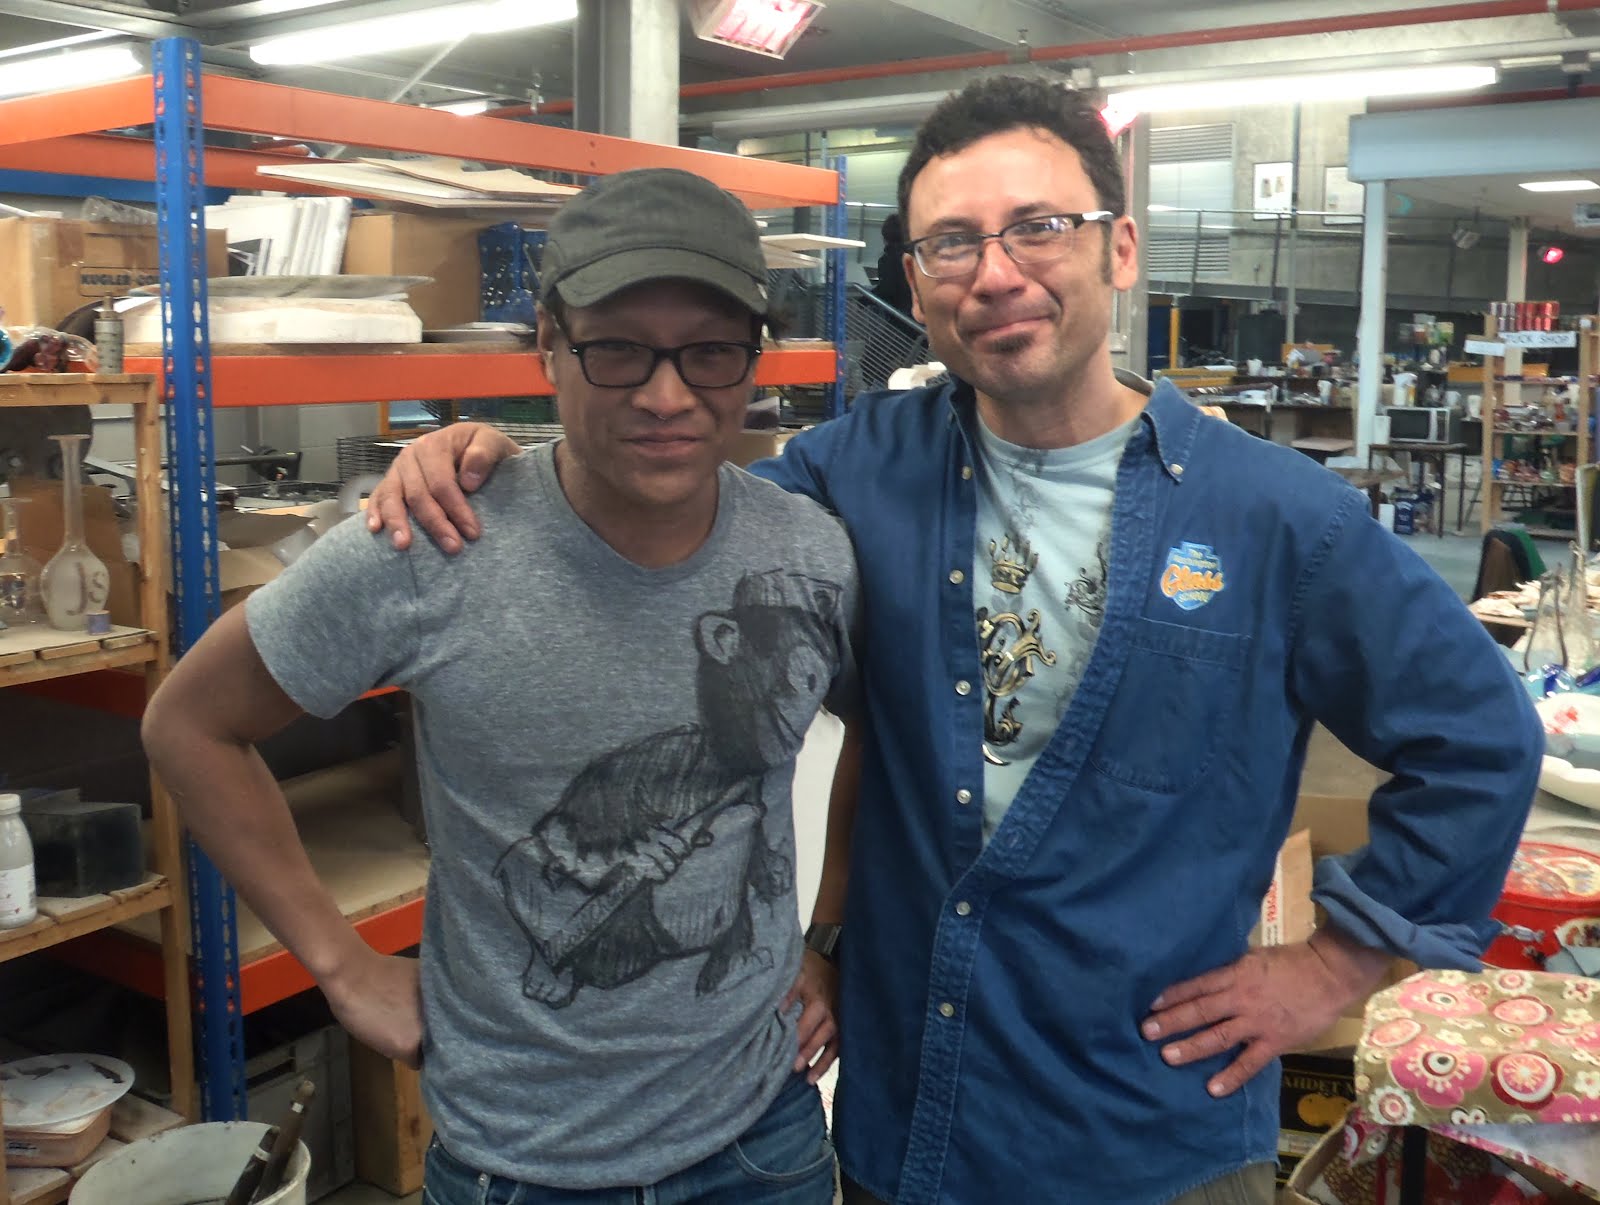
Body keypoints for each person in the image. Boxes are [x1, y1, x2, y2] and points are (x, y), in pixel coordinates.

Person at [363, 77, 1543, 1205]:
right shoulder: (852, 474)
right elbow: (670, 503)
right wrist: (504, 463)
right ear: (918, 287)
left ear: (1119, 247)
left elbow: (1481, 736)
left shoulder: (1278, 519)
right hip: (913, 1119)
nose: (995, 273)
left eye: (1038, 227)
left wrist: (1336, 965)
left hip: (1150, 1128)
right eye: (950, 244)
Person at [142, 167, 862, 1204]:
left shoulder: (808, 553)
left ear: (756, 354)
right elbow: (189, 725)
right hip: (522, 1159)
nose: (667, 396)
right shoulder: (433, 542)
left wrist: (822, 938)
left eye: (710, 351)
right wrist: (342, 965)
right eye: (617, 349)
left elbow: (876, 736)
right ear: (548, 344)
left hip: (763, 1137)